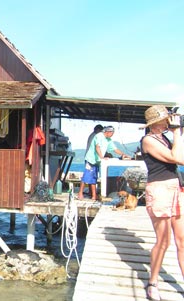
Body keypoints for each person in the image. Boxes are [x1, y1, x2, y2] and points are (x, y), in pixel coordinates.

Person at [140, 105, 184, 301]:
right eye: (166, 119)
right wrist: (177, 132)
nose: (169, 121)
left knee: (182, 241)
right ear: (155, 122)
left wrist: (177, 134)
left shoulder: (164, 138)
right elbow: (178, 158)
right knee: (163, 241)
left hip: (176, 189)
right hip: (159, 191)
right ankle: (153, 282)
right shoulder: (148, 140)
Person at [77, 125, 130, 200]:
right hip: (91, 159)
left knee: (93, 177)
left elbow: (115, 149)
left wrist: (123, 154)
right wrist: (102, 157)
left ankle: (93, 195)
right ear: (108, 132)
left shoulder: (108, 140)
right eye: (112, 133)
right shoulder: (99, 136)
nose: (112, 135)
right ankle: (81, 193)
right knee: (86, 176)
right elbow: (97, 147)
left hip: (97, 161)